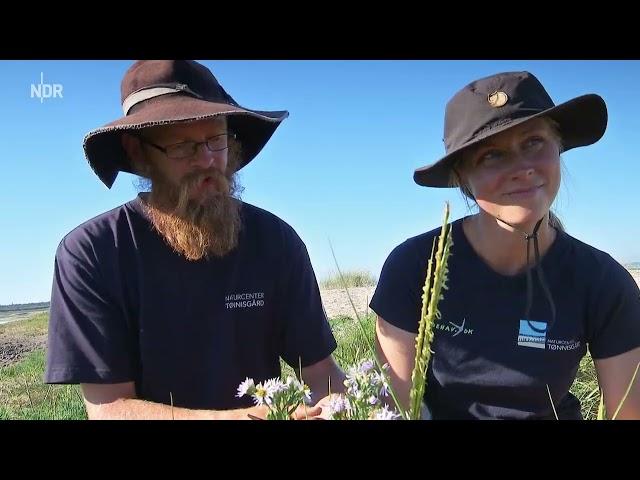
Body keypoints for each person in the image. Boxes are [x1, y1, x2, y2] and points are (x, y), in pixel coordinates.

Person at [44, 60, 345, 420]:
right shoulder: (92, 253)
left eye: (216, 139)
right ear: (138, 152)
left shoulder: (276, 242)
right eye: (183, 146)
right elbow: (109, 409)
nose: (208, 161)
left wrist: (345, 404)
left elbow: (320, 373)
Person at [370, 71, 640, 419]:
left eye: (533, 143)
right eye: (491, 156)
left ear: (558, 148)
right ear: (462, 177)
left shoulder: (603, 282)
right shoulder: (414, 266)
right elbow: (395, 405)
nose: (522, 168)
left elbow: (627, 412)